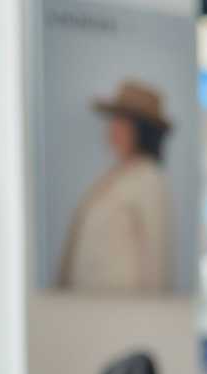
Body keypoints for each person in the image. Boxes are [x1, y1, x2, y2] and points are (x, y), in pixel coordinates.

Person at [57, 80, 176, 293]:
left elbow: (155, 255)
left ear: (141, 131)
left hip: (122, 310)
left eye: (122, 123)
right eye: (115, 121)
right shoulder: (116, 176)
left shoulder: (148, 179)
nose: (112, 129)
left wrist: (154, 317)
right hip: (92, 306)